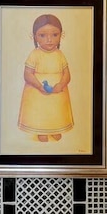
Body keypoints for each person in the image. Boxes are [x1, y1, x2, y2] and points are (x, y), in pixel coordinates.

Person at [18, 14, 74, 142]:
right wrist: (39, 85)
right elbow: (27, 74)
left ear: (61, 35)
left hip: (58, 91)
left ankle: (54, 129)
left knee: (55, 110)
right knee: (41, 111)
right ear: (34, 36)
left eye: (54, 35)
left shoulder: (60, 54)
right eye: (42, 35)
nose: (49, 39)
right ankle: (41, 130)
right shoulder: (34, 54)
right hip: (38, 91)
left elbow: (67, 74)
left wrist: (61, 84)